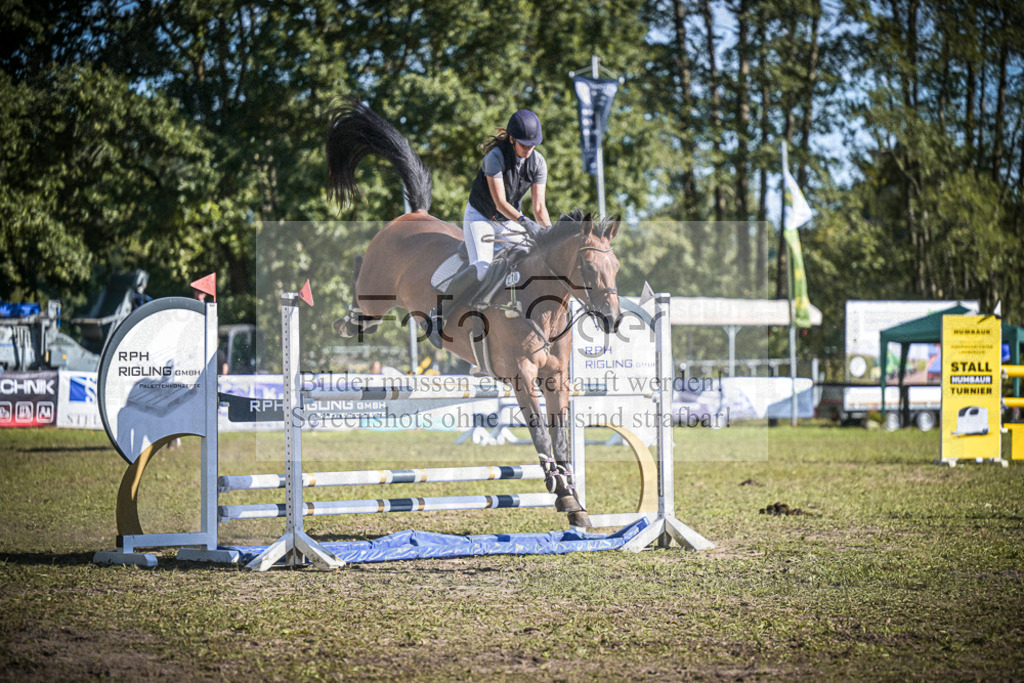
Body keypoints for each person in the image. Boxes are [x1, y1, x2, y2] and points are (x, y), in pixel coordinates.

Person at [426, 109, 551, 346]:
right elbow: (500, 203)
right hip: (481, 217)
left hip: (509, 221)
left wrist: (549, 235)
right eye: (524, 145)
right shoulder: (494, 157)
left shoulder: (538, 162)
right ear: (512, 139)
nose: (529, 150)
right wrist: (526, 223)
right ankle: (437, 315)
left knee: (533, 258)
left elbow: (539, 207)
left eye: (532, 145)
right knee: (483, 268)